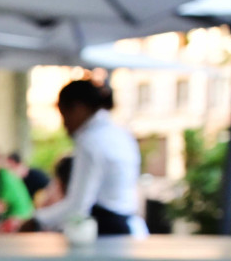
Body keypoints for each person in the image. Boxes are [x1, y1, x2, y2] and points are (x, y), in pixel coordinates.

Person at [30, 79, 146, 237]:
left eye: (64, 115)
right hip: (131, 229)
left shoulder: (90, 141)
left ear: (78, 108)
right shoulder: (121, 134)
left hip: (107, 232)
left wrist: (35, 220)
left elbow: (78, 206)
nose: (64, 125)